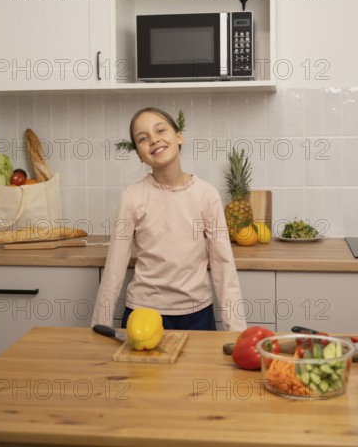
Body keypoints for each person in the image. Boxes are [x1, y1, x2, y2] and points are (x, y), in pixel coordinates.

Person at [91, 107, 247, 331]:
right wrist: (100, 325)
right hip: (143, 312)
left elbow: (224, 265)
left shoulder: (206, 195)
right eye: (143, 138)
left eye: (161, 130)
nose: (154, 140)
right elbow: (115, 266)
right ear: (139, 154)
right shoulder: (132, 197)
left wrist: (237, 329)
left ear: (179, 136)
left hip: (198, 314)